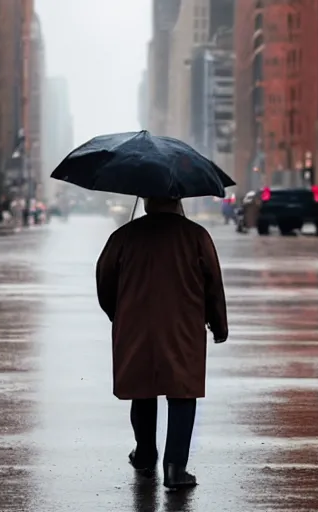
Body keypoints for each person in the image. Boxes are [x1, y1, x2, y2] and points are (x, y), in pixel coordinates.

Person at [96, 197, 228, 490]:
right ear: (177, 201)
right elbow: (213, 284)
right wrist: (219, 325)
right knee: (182, 391)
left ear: (146, 202)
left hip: (136, 326)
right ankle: (175, 468)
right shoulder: (196, 236)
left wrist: (117, 314)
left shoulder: (123, 236)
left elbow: (104, 281)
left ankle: (144, 454)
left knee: (142, 388)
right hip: (183, 327)